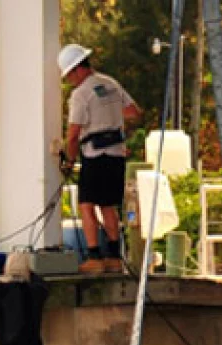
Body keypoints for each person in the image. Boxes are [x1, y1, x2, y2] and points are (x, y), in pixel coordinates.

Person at [58, 43, 142, 274]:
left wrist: (68, 161)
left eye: (68, 76)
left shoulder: (81, 94)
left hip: (95, 155)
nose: (69, 81)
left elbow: (73, 134)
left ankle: (94, 256)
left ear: (76, 69)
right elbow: (134, 112)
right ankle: (114, 257)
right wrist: (111, 116)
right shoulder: (111, 84)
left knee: (86, 205)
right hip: (116, 154)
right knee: (108, 206)